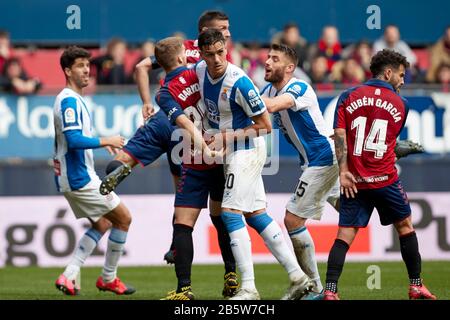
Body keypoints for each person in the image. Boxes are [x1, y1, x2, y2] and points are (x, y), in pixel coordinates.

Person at [100, 11, 239, 298]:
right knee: (219, 216)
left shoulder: (168, 80)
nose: (225, 34)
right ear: (204, 33)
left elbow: (140, 66)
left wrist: (147, 103)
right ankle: (232, 274)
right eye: (221, 29)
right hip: (203, 140)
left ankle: (122, 165)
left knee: (182, 213)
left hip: (169, 119)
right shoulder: (204, 63)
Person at [195, 29, 313, 300]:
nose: (216, 60)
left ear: (227, 49)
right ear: (202, 53)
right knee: (255, 213)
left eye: (220, 52)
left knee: (230, 213)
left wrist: (225, 137)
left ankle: (248, 288)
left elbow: (265, 125)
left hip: (247, 149)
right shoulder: (200, 70)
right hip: (232, 151)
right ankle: (297, 276)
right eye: (210, 54)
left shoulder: (240, 83)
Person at [323, 49, 436, 300]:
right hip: (385, 180)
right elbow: (385, 144)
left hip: (354, 181)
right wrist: (398, 152)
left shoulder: (347, 96)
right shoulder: (401, 104)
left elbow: (340, 137)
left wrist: (343, 172)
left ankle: (330, 291)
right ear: (388, 72)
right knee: (405, 227)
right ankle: (415, 285)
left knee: (344, 235)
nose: (403, 81)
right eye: (401, 75)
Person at [151, 36, 236, 300]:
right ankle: (231, 275)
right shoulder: (200, 71)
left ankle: (184, 289)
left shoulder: (164, 94)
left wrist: (201, 147)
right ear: (180, 58)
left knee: (183, 224)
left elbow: (184, 123)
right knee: (221, 218)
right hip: (222, 154)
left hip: (195, 159)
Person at [53, 46, 135, 296]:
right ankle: (108, 278)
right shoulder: (68, 100)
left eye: (87, 65)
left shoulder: (75, 99)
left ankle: (68, 275)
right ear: (67, 71)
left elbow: (75, 139)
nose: (87, 69)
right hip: (79, 178)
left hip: (72, 176)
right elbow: (74, 139)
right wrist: (106, 140)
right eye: (80, 65)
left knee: (101, 224)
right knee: (123, 219)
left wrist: (100, 143)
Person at [261, 43, 341, 299]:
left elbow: (271, 107)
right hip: (317, 162)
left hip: (323, 159)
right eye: (267, 57)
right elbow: (259, 117)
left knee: (292, 220)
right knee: (354, 208)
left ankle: (314, 288)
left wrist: (247, 96)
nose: (268, 62)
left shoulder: (299, 87)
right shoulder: (267, 90)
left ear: (289, 67)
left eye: (274, 59)